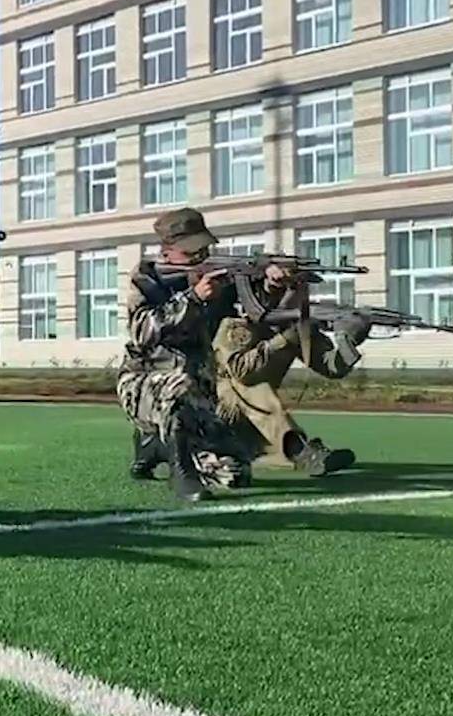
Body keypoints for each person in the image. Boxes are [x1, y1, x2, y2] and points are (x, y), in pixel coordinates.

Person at [119, 209, 256, 501]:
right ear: (168, 251)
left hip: (198, 395)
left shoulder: (217, 281)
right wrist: (192, 298)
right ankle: (181, 474)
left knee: (235, 473)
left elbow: (253, 315)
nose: (199, 257)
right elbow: (142, 330)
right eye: (191, 251)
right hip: (144, 386)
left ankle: (156, 445)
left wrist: (271, 284)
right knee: (179, 385)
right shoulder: (146, 276)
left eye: (204, 250)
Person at [207, 264, 370, 477]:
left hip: (257, 426)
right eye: (294, 287)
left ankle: (290, 450)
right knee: (246, 384)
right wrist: (283, 340)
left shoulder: (294, 327)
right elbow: (239, 370)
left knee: (243, 461)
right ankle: (300, 451)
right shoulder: (237, 325)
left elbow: (332, 367)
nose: (301, 293)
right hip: (217, 416)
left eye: (303, 287)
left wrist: (348, 339)